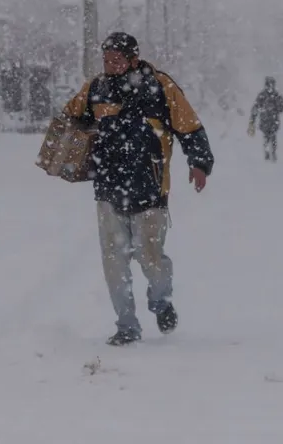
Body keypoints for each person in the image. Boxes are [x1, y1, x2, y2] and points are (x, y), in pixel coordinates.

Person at [61, 32, 214, 346]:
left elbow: (189, 126)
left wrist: (199, 163)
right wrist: (67, 147)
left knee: (150, 256)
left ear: (133, 59)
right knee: (113, 260)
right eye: (105, 60)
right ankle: (127, 325)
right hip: (108, 188)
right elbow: (70, 118)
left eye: (116, 60)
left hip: (150, 188)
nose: (109, 65)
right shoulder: (95, 89)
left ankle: (160, 299)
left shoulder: (160, 86)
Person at [248, 76, 283, 161]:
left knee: (271, 137)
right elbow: (256, 107)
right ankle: (268, 152)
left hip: (271, 120)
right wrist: (253, 119)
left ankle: (271, 152)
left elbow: (282, 106)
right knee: (268, 137)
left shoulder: (273, 95)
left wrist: (275, 109)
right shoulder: (265, 95)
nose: (270, 86)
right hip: (267, 120)